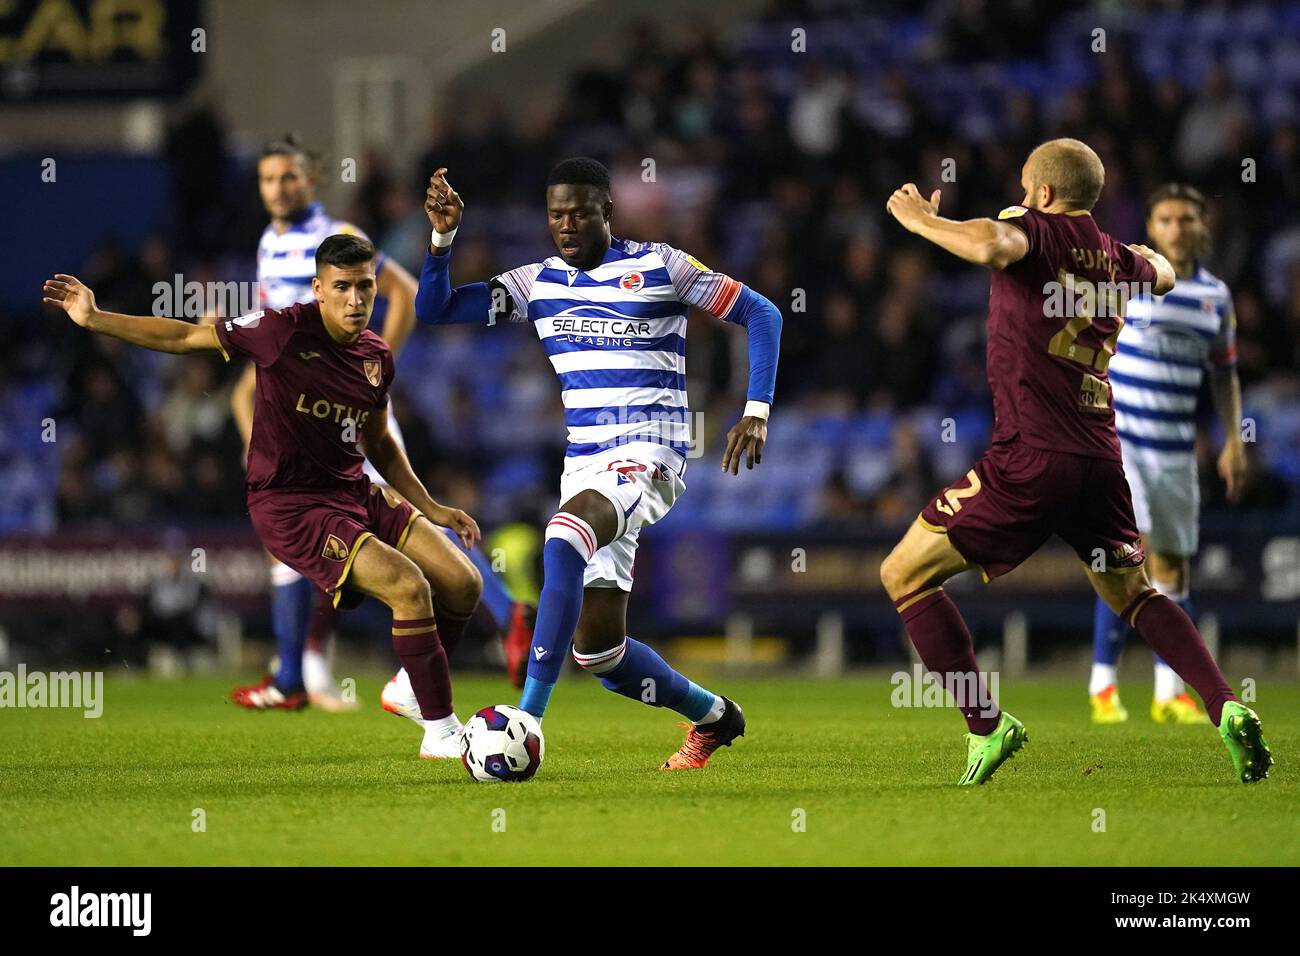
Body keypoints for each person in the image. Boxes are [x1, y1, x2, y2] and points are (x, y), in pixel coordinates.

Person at [879, 138, 1270, 786]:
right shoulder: (1117, 256)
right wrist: (1138, 260)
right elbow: (1165, 274)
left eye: (1027, 187)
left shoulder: (1028, 231)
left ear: (1045, 194)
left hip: (1031, 457)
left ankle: (986, 724)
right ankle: (1225, 703)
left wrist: (919, 219)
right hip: (1100, 459)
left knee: (902, 575)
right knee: (1134, 593)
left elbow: (988, 245)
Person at [44, 235, 482, 759]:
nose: (356, 299)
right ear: (319, 290)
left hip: (355, 490)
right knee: (409, 587)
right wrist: (96, 319)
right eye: (342, 287)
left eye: (366, 286)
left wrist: (430, 505)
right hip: (293, 504)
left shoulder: (376, 355)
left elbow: (381, 441)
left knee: (463, 583)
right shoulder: (281, 331)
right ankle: (441, 732)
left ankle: (411, 687)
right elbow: (186, 337)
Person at [410, 158, 783, 770]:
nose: (567, 224)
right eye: (556, 214)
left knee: (561, 537)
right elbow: (438, 308)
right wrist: (443, 238)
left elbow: (761, 313)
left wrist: (757, 409)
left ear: (607, 212)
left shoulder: (662, 266)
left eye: (580, 213)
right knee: (600, 654)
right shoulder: (538, 283)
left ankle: (527, 718)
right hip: (584, 464)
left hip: (653, 453)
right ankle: (716, 718)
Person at [1089, 183, 1247, 725]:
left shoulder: (1216, 298)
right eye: (1166, 219)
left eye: (1187, 219)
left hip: (1176, 450)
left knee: (1174, 567)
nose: (1177, 228)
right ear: (1150, 227)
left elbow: (1225, 374)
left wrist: (1233, 439)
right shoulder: (1130, 280)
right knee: (1140, 554)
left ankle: (1167, 693)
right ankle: (1104, 684)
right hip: (1123, 440)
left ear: (1203, 227)